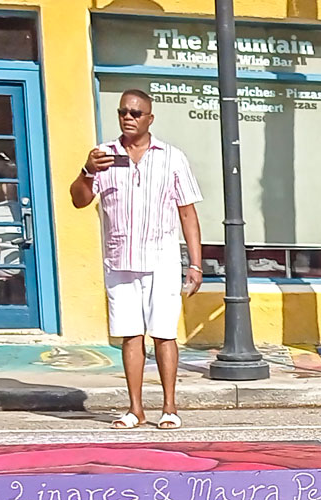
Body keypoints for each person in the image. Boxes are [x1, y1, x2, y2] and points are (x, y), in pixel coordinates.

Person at [70, 89, 203, 430]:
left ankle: (170, 407)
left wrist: (195, 263)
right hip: (120, 259)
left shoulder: (171, 157)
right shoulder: (104, 156)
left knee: (164, 333)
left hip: (161, 258)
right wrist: (86, 170)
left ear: (149, 118)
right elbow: (79, 200)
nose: (128, 118)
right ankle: (135, 409)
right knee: (130, 335)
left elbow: (187, 213)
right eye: (123, 112)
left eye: (136, 113)